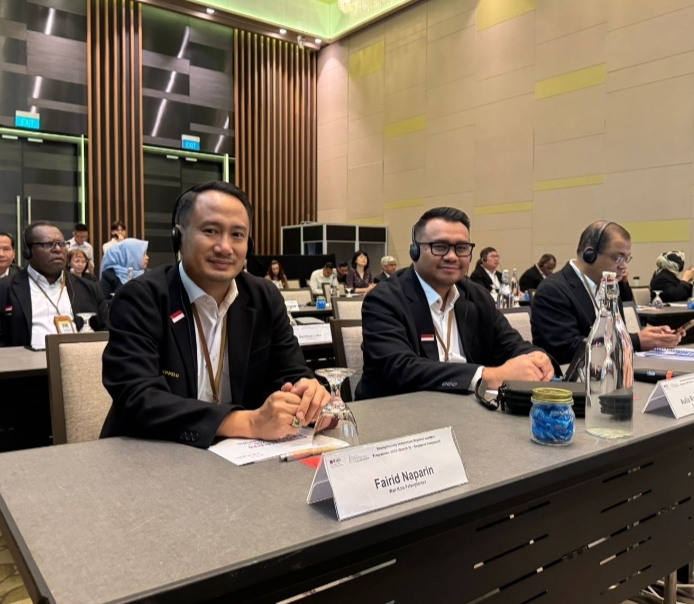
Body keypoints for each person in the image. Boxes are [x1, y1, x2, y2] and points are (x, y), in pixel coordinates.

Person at [100, 180, 329, 447]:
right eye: (210, 231)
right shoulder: (141, 298)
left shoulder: (264, 297)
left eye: (237, 235)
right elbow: (137, 399)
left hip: (242, 457)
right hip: (151, 453)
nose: (225, 247)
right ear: (178, 237)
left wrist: (309, 394)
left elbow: (292, 372)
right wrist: (249, 422)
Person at [356, 207, 553, 400]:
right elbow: (401, 369)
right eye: (440, 246)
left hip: (469, 411)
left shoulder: (477, 296)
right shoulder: (384, 299)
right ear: (414, 251)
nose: (452, 256)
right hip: (399, 410)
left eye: (461, 248)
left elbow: (511, 345)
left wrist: (536, 358)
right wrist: (488, 376)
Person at [531, 221, 682, 365]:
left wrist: (649, 336)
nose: (624, 266)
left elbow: (614, 336)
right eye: (618, 258)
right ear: (590, 254)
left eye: (626, 258)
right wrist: (636, 341)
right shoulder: (553, 290)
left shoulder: (610, 287)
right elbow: (567, 350)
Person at [0, 221, 107, 347]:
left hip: (79, 358)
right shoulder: (5, 289)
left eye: (61, 243)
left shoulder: (89, 288)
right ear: (28, 251)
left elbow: (105, 332)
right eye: (47, 244)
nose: (57, 249)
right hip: (24, 359)